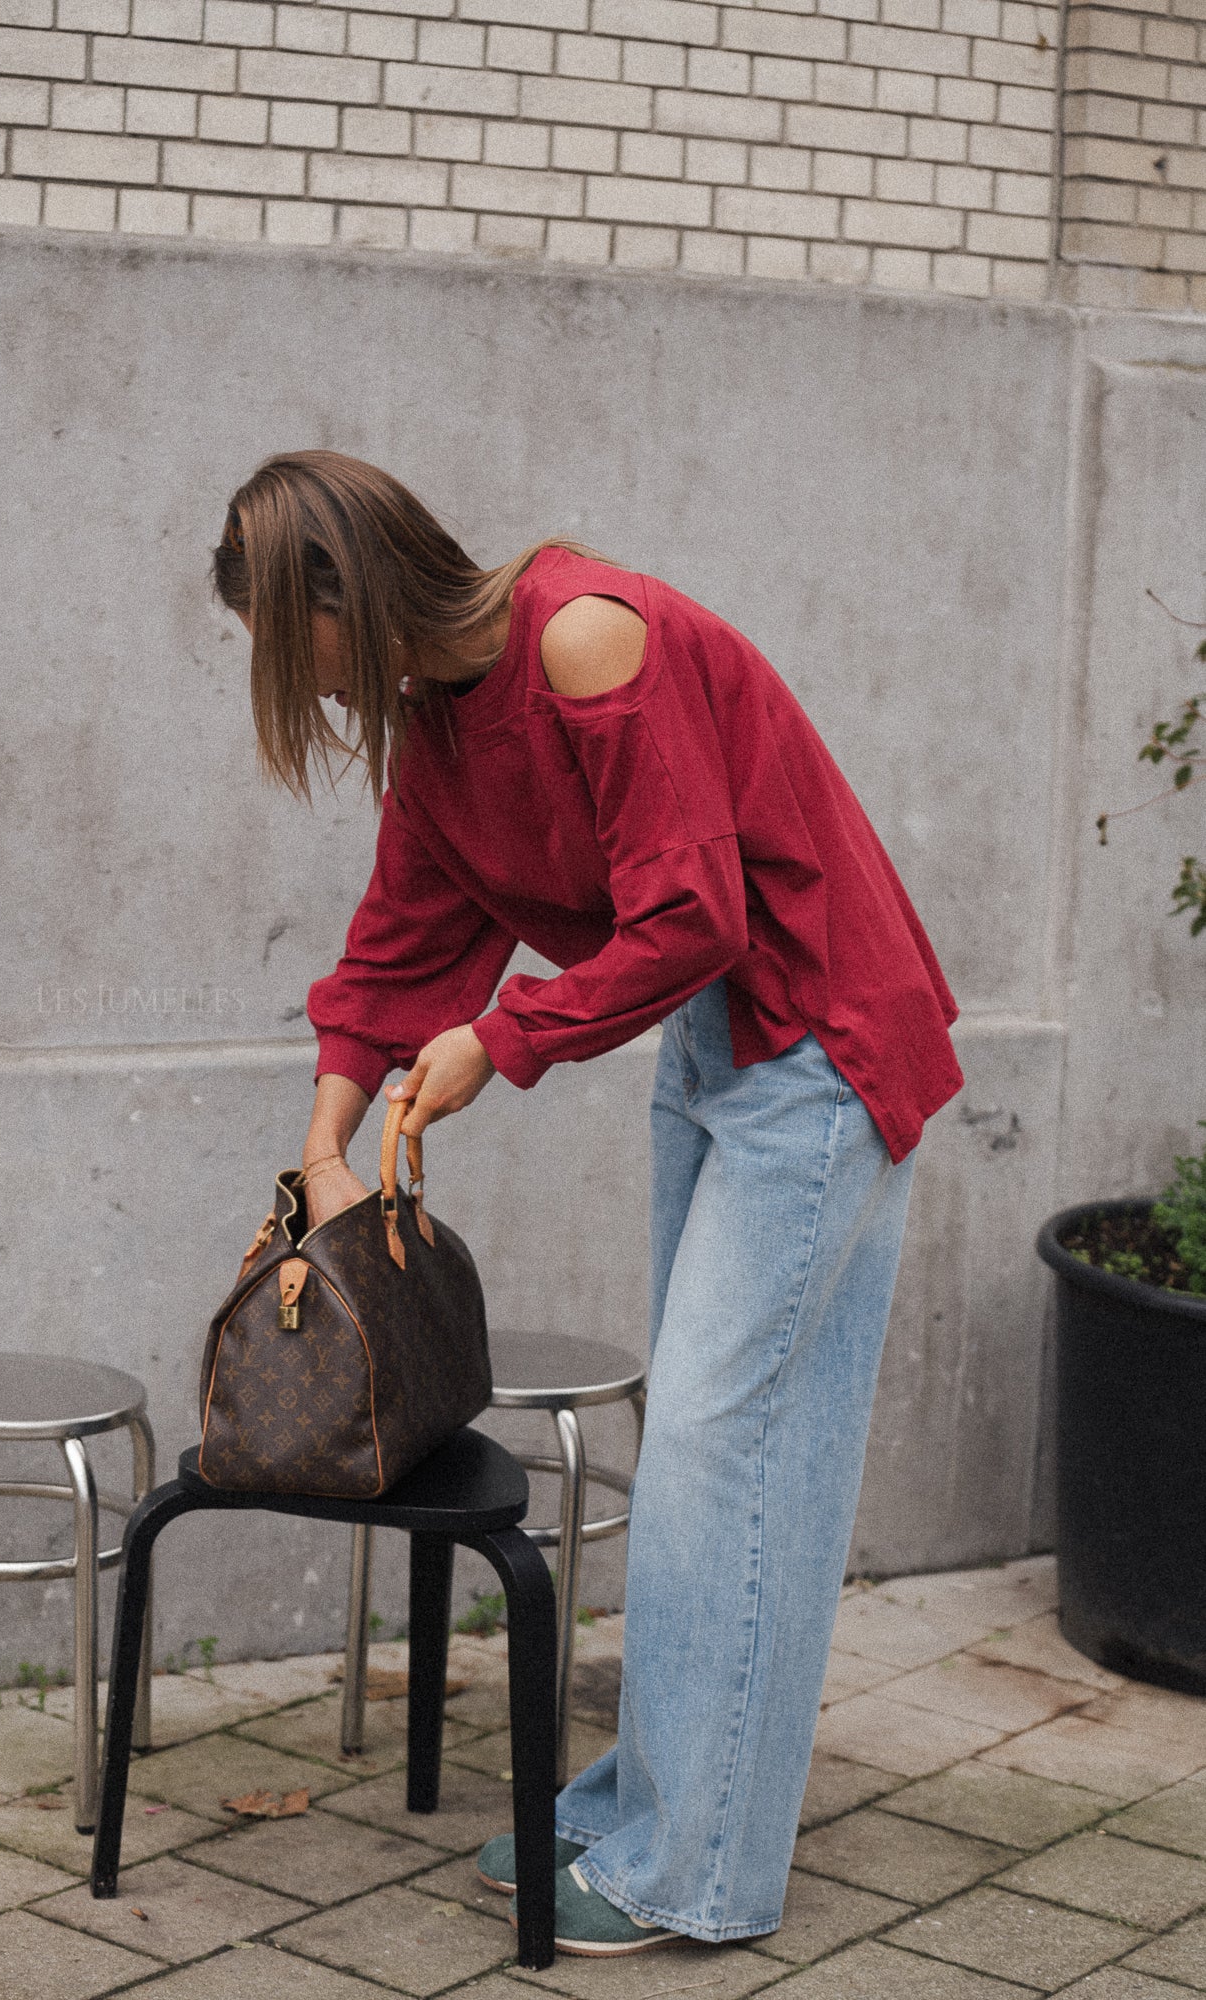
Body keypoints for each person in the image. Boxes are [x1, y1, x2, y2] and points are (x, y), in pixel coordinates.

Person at [213, 450, 963, 1957]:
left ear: (345, 598)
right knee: (749, 1456)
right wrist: (324, 1150)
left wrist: (504, 1042)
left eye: (294, 652)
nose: (305, 688)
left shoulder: (580, 635)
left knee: (707, 1447)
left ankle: (691, 1872)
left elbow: (695, 913)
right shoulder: (439, 739)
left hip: (818, 1040)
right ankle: (661, 1805)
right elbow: (395, 950)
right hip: (717, 1046)